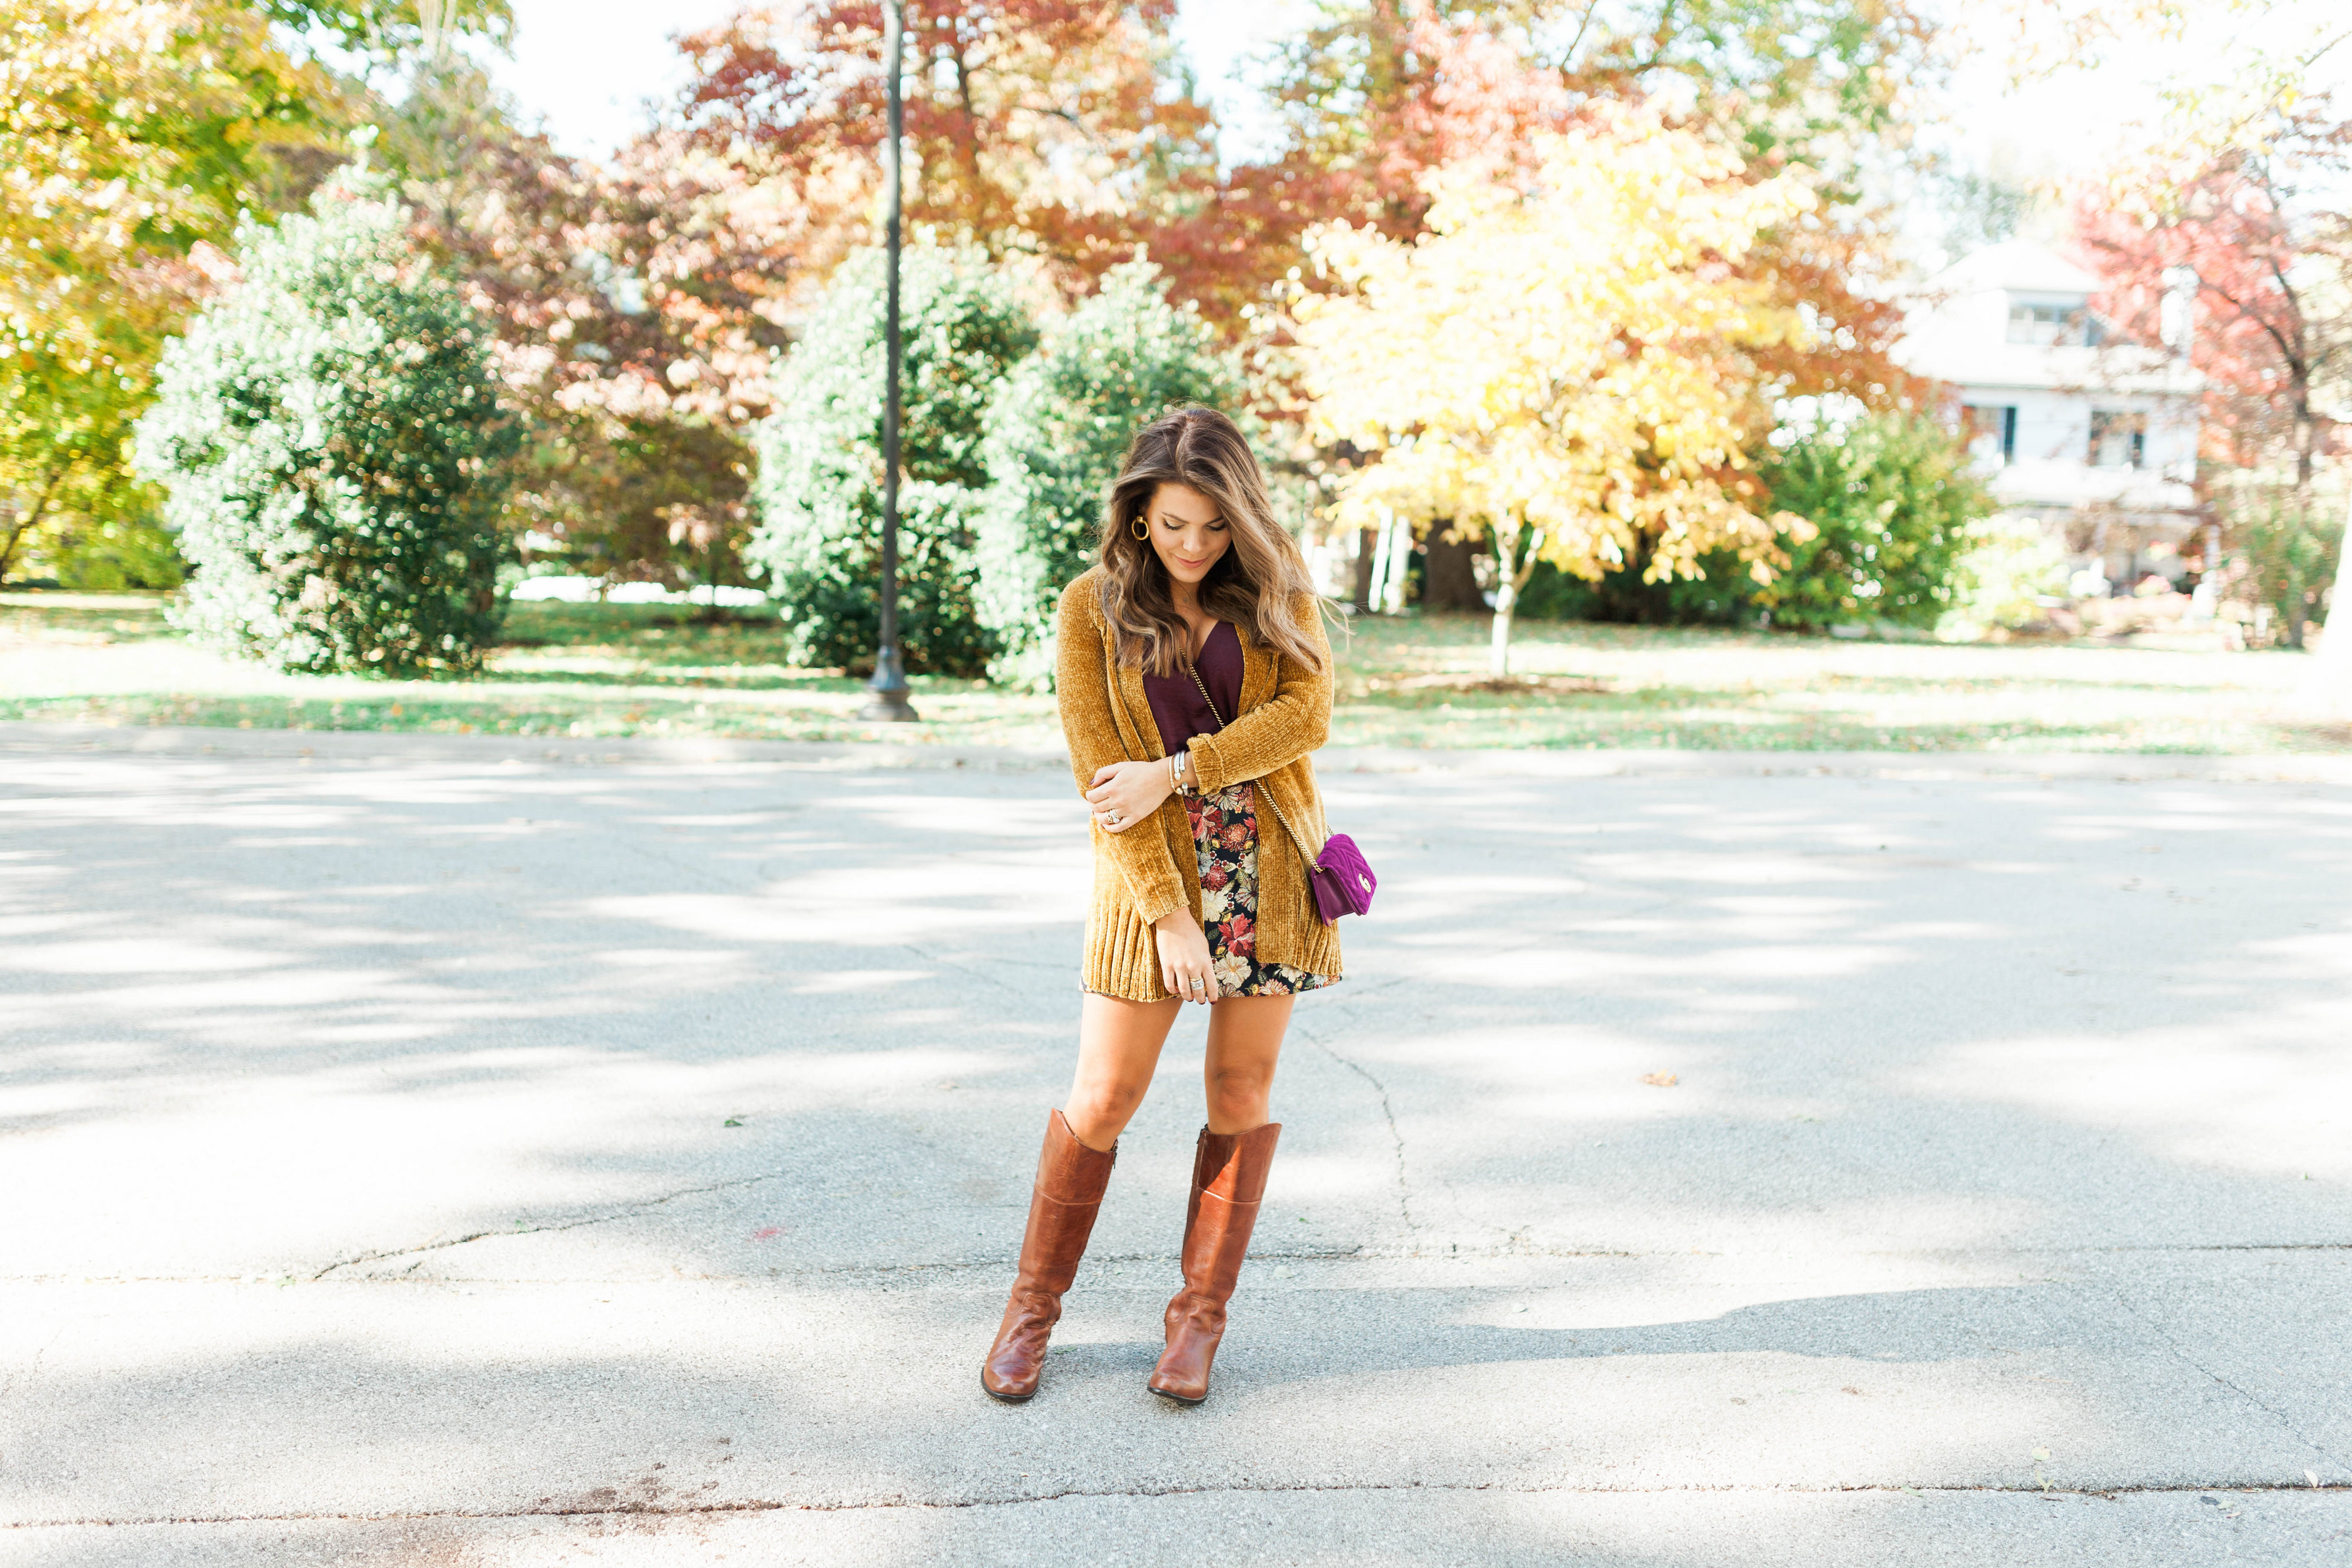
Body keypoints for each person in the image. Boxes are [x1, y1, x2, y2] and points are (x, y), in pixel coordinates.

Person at [980, 407, 1343, 1406]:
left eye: (1216, 527)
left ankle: (1197, 1323)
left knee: (1240, 1095)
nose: (1194, 546)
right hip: (1155, 889)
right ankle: (1031, 1312)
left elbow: (1303, 718)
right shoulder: (1090, 608)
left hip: (1269, 874)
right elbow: (1106, 780)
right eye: (1175, 524)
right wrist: (1169, 917)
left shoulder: (1280, 591)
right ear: (1139, 515)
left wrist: (1179, 769)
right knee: (1103, 1098)